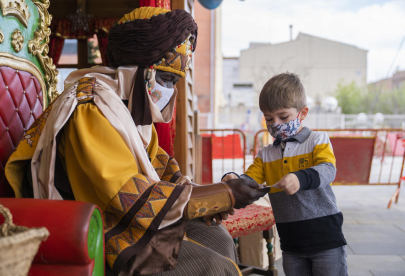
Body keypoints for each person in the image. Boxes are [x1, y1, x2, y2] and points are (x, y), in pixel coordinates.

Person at [5, 7, 270, 276]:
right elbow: (126, 195)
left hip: (134, 215)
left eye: (175, 82)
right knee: (215, 268)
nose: (170, 91)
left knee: (219, 238)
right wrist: (224, 194)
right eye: (165, 79)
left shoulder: (130, 109)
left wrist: (210, 199)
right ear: (137, 71)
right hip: (108, 224)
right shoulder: (91, 108)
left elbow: (162, 169)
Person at [222, 73, 348, 276]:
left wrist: (300, 178)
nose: (276, 124)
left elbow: (328, 171)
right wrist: (234, 181)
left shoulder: (317, 140)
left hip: (326, 239)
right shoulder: (266, 153)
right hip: (290, 243)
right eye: (269, 118)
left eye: (283, 116)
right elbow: (250, 179)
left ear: (302, 113)